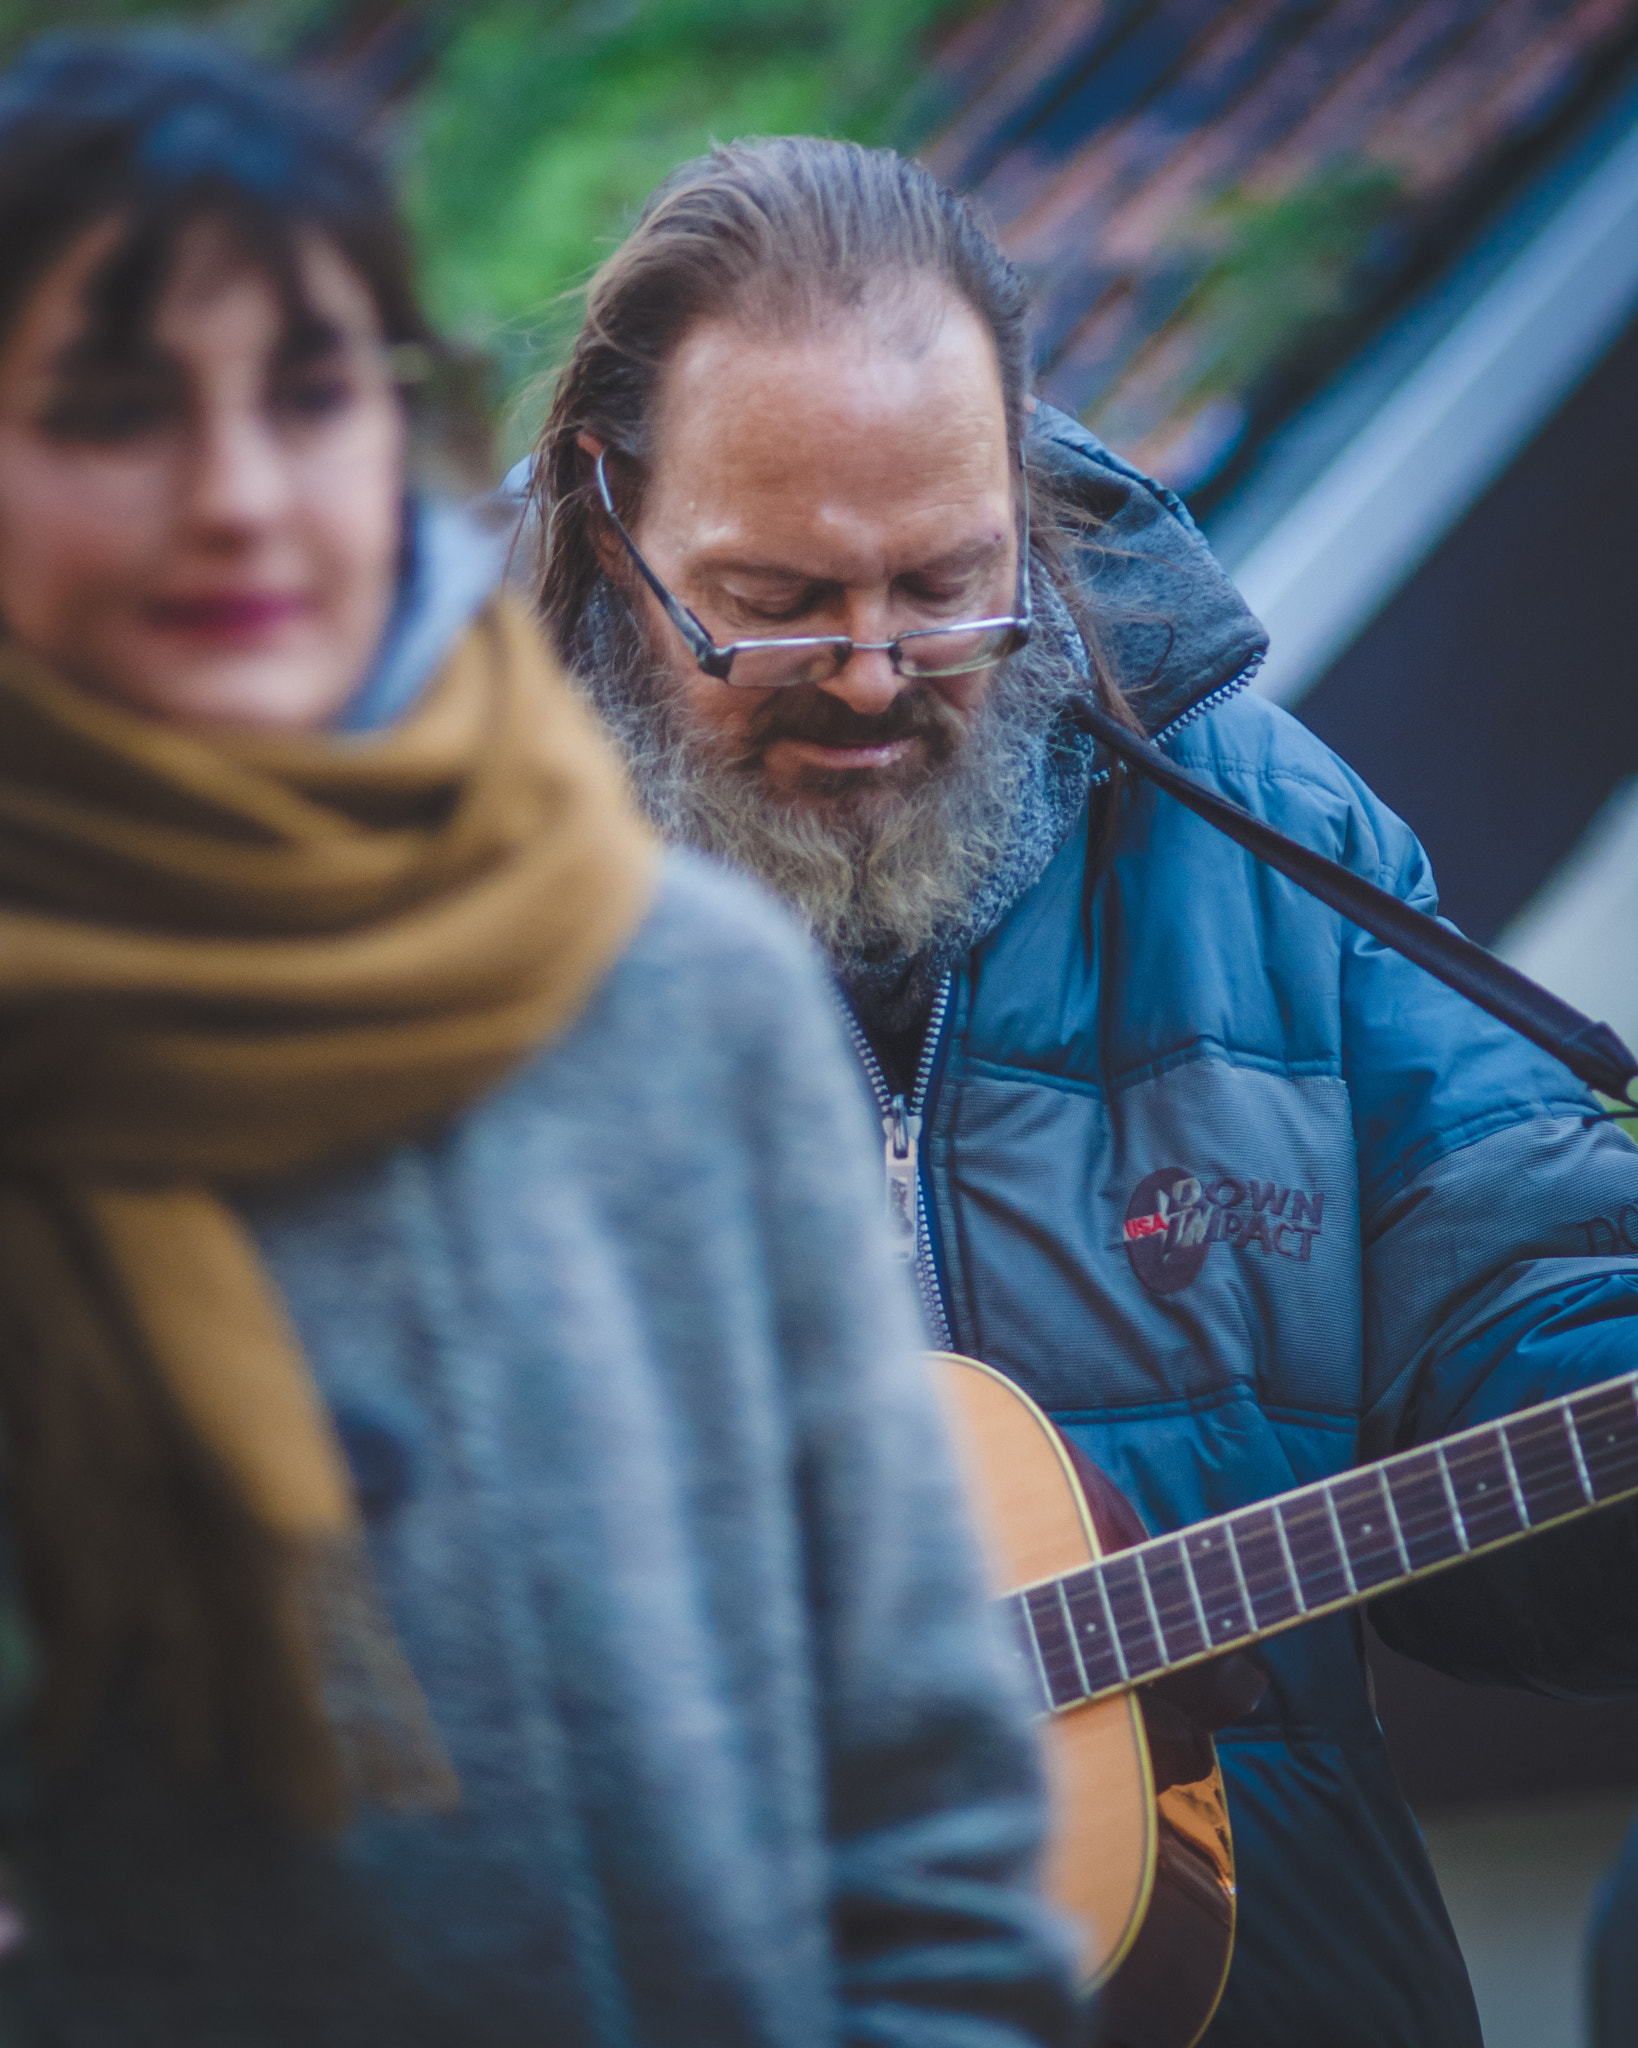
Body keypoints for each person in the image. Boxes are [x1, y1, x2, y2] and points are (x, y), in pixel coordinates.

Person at [0, 40, 1082, 2048]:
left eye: (310, 393)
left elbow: (931, 1830)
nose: (238, 492)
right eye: (115, 408)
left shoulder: (684, 1011)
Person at [522, 135, 1638, 2047]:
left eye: (948, 585)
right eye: (773, 603)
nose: (873, 676)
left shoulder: (1268, 832)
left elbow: (1518, 1289)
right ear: (609, 516)